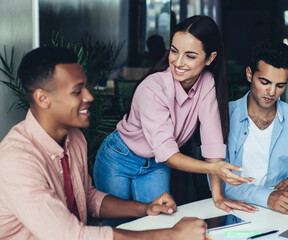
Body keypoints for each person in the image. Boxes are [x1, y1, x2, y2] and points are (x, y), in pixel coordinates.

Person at [0, 46, 208, 240]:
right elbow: (72, 236)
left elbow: (87, 198)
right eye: (77, 91)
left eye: (86, 87)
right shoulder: (17, 161)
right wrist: (171, 236)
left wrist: (145, 208)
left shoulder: (75, 138)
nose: (89, 96)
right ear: (43, 98)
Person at [94, 15, 257, 226]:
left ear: (209, 58)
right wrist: (213, 169)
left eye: (190, 55)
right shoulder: (152, 88)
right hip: (119, 158)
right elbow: (170, 155)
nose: (178, 62)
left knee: (158, 226)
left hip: (156, 164)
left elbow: (213, 144)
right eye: (174, 51)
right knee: (118, 228)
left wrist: (218, 196)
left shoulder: (207, 82)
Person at [222, 40, 288, 216]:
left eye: (280, 85)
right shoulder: (223, 117)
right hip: (233, 209)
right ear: (249, 74)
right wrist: (266, 197)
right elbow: (218, 179)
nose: (272, 92)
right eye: (265, 82)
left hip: (281, 210)